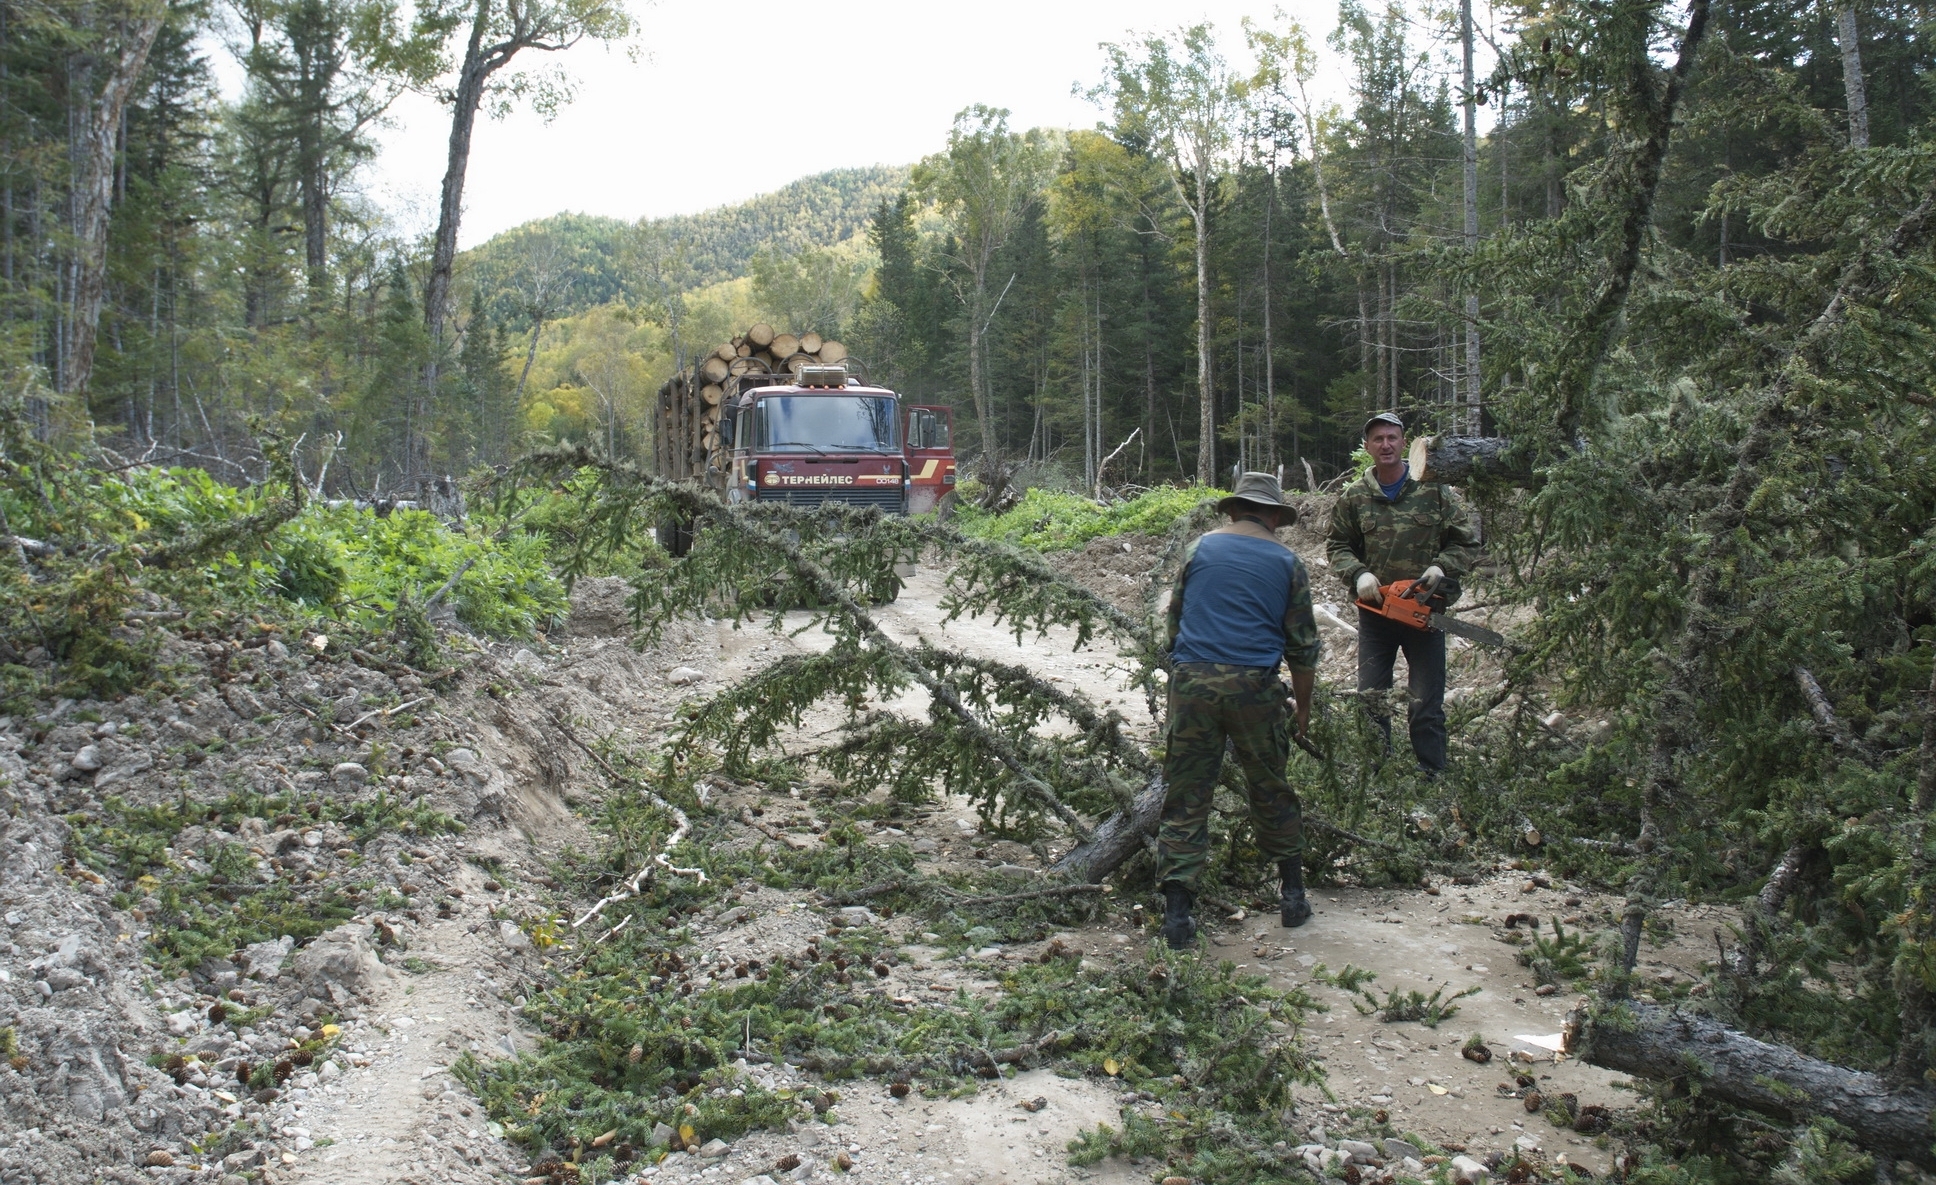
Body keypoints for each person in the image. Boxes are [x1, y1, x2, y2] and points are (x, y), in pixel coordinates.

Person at [1156, 472, 1323, 950]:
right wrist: (1303, 709)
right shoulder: (1288, 562)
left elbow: (1173, 625)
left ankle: (1177, 917)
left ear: (1233, 510)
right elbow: (1303, 648)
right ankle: (1292, 897)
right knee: (1270, 786)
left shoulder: (1199, 549)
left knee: (1187, 793)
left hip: (1193, 681)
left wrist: (1188, 673)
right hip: (1255, 685)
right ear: (1273, 516)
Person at [1325, 411, 1481, 775]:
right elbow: (1336, 546)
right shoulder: (1354, 497)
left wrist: (1441, 567)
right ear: (1367, 447)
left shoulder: (1433, 489)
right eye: (1377, 439)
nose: (1386, 445)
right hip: (1376, 613)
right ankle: (1378, 779)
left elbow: (1466, 542)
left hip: (1424, 613)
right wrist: (1358, 574)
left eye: (1392, 437)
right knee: (1372, 700)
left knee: (1426, 704)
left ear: (1403, 442)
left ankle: (1433, 776)